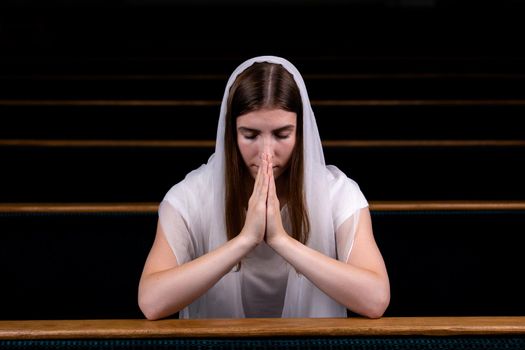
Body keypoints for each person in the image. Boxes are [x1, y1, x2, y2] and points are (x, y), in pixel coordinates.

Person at [138, 55, 390, 320]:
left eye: (282, 135)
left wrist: (281, 241)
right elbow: (151, 301)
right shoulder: (189, 195)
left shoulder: (339, 193)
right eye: (250, 135)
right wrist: (245, 240)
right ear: (231, 134)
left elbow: (375, 299)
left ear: (301, 132)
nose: (266, 152)